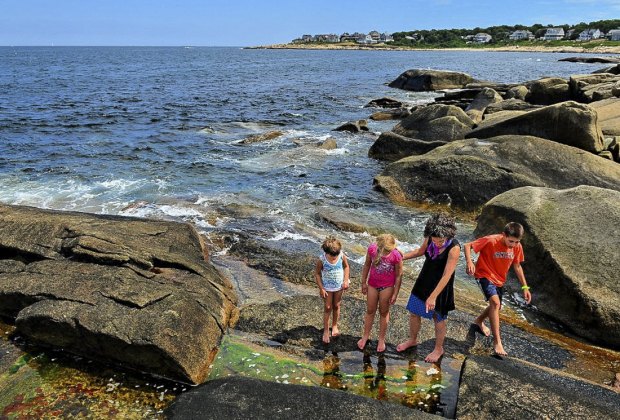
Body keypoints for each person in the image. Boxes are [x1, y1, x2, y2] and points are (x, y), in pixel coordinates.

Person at [396, 214, 460, 363]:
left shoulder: (454, 248)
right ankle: (412, 339)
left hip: (441, 287)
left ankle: (439, 349)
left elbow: (447, 275)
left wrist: (433, 296)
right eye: (434, 240)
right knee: (413, 312)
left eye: (441, 241)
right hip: (424, 279)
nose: (437, 243)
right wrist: (401, 257)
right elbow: (420, 251)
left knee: (438, 318)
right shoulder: (431, 235)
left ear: (448, 236)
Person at [464, 222, 532, 356]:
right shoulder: (491, 240)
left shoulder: (517, 247)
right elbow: (468, 246)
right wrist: (469, 262)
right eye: (511, 241)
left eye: (516, 242)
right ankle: (497, 342)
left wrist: (525, 287)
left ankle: (478, 321)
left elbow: (517, 266)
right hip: (484, 274)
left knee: (496, 306)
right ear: (504, 235)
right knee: (495, 303)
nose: (513, 245)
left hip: (499, 279)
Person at [357, 233, 403, 353]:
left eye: (388, 252)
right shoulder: (372, 249)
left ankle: (381, 339)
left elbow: (398, 276)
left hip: (387, 287)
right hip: (372, 285)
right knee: (370, 310)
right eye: (384, 252)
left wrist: (395, 293)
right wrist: (363, 282)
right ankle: (365, 336)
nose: (385, 254)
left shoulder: (396, 256)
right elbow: (367, 265)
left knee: (384, 311)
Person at [314, 236, 350, 344]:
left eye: (336, 255)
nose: (334, 257)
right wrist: (321, 288)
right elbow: (317, 273)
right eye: (332, 255)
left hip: (339, 286)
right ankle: (326, 330)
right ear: (326, 251)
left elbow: (346, 267)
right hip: (327, 287)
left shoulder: (341, 256)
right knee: (328, 307)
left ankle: (334, 326)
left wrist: (346, 280)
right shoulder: (322, 259)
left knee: (336, 305)